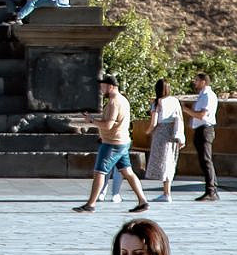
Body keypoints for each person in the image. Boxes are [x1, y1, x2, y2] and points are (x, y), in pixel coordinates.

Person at [75, 78, 137, 212]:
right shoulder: (123, 100)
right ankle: (143, 201)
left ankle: (91, 204)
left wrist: (92, 120)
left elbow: (108, 125)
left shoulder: (114, 103)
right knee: (128, 172)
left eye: (103, 86)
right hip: (123, 140)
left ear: (110, 86)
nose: (101, 89)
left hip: (112, 143)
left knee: (99, 172)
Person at [143, 76, 184, 206]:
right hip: (172, 132)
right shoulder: (175, 101)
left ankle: (166, 193)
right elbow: (180, 118)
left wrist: (147, 131)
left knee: (162, 162)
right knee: (170, 161)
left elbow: (154, 122)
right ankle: (167, 191)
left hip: (161, 132)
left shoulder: (157, 102)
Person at [188, 73, 222, 201]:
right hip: (200, 129)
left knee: (206, 160)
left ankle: (211, 190)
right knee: (204, 161)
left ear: (203, 82)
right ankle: (212, 188)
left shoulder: (208, 96)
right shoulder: (202, 95)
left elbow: (202, 114)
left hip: (205, 130)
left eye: (196, 80)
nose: (194, 83)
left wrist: (186, 110)